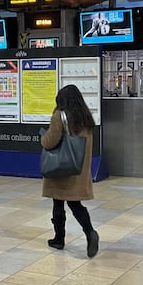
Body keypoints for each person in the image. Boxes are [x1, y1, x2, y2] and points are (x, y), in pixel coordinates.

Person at [41, 85, 99, 258]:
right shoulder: (85, 117)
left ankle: (59, 239)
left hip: (62, 168)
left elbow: (51, 141)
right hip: (78, 169)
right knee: (75, 204)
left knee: (58, 203)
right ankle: (90, 232)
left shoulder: (61, 116)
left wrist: (43, 138)